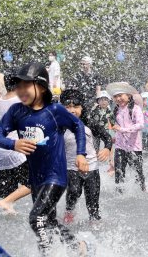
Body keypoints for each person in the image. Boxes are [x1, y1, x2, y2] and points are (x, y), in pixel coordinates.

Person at [0, 62, 89, 255]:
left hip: (56, 177)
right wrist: (14, 144)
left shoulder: (55, 111)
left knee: (36, 218)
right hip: (36, 178)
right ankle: (77, 247)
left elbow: (78, 126)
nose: (21, 91)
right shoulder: (16, 111)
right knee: (48, 221)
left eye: (26, 86)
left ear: (42, 87)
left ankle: (47, 254)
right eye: (18, 87)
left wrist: (81, 154)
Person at [61, 89, 111, 224]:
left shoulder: (89, 124)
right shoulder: (60, 126)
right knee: (74, 192)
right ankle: (69, 213)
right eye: (68, 107)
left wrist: (107, 148)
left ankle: (94, 223)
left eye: (76, 107)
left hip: (92, 168)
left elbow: (107, 137)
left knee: (93, 200)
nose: (72, 110)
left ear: (82, 107)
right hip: (71, 168)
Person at [0, 73, 30, 212]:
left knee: (8, 196)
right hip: (16, 150)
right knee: (37, 180)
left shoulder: (2, 99)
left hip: (1, 152)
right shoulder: (19, 100)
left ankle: (8, 210)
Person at [108, 82, 145, 192]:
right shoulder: (116, 110)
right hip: (120, 146)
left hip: (134, 147)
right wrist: (113, 136)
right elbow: (114, 126)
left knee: (138, 172)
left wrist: (123, 130)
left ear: (128, 96)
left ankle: (143, 190)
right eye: (115, 97)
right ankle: (119, 194)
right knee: (119, 171)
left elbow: (140, 124)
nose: (118, 99)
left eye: (120, 95)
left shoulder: (135, 108)